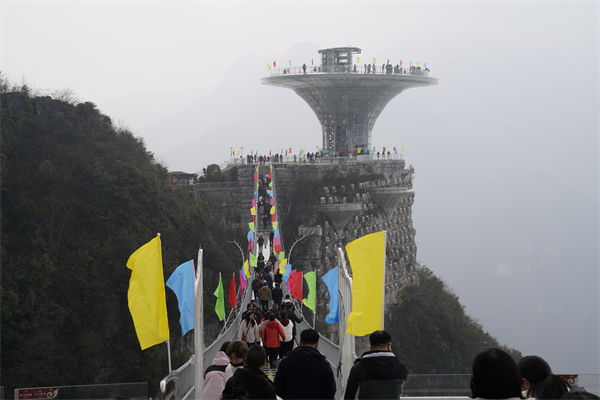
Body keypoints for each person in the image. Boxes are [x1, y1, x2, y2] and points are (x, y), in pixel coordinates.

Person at [344, 330, 408, 400]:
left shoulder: (358, 368)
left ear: (370, 347)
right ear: (389, 346)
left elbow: (350, 396)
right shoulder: (401, 367)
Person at [274, 328, 336, 400]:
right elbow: (330, 391)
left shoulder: (285, 362)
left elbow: (278, 387)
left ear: (300, 343)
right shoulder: (324, 365)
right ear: (316, 345)